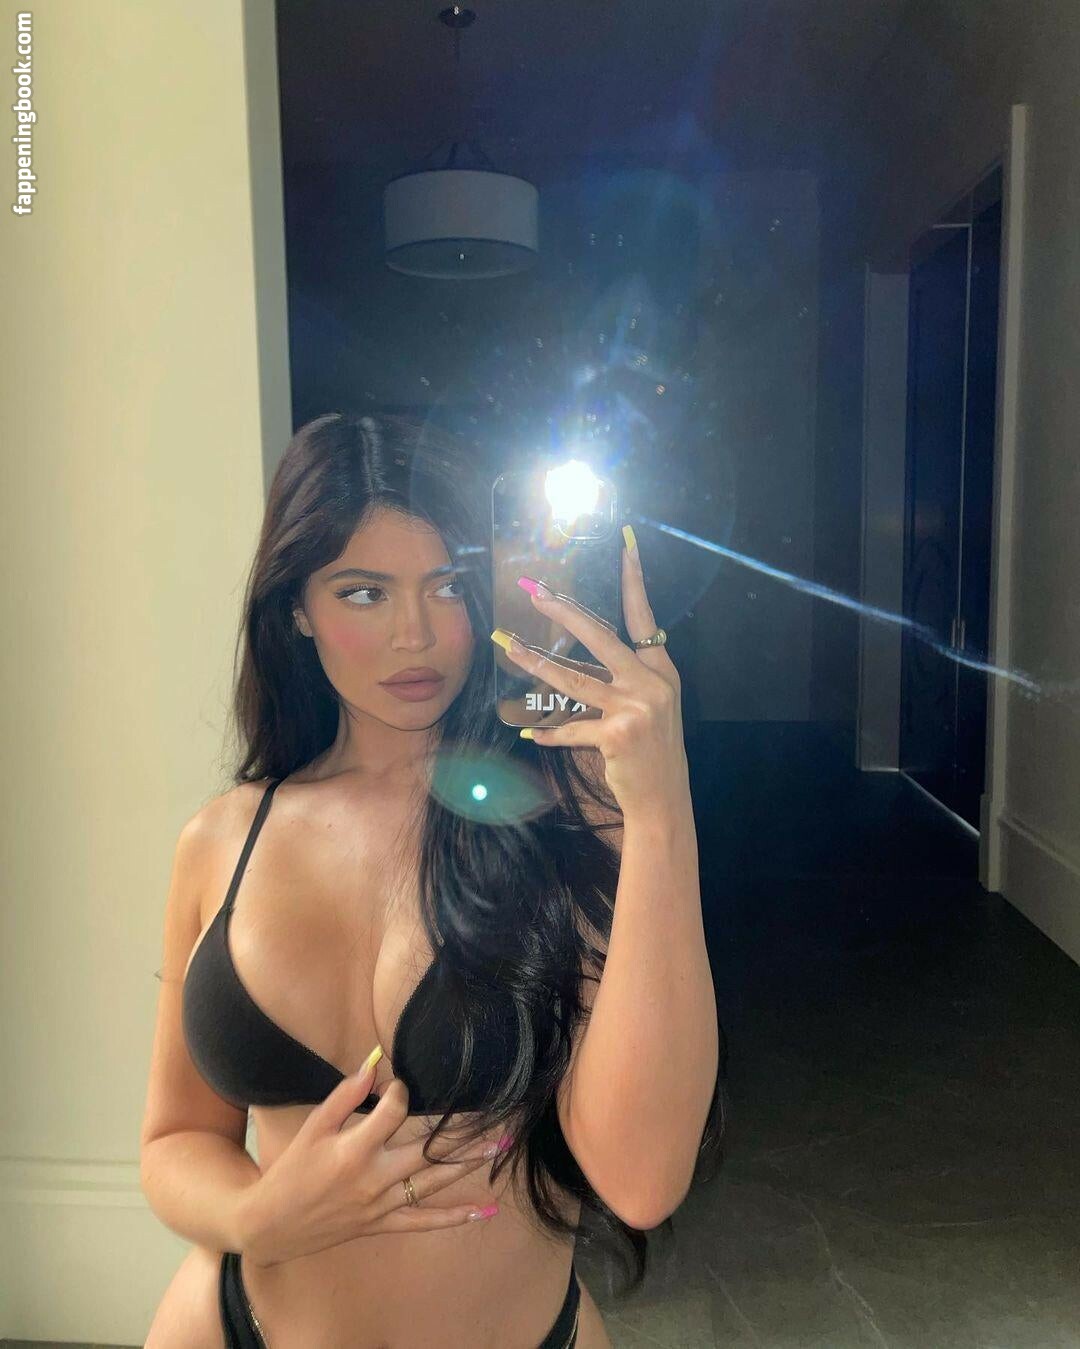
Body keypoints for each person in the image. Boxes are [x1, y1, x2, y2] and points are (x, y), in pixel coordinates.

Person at [139, 412, 724, 1347]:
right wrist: (258, 1217)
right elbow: (177, 1140)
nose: (415, 634)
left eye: (448, 584)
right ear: (296, 607)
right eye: (363, 592)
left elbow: (642, 1180)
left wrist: (661, 805)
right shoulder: (219, 839)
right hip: (226, 1324)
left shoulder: (570, 810)